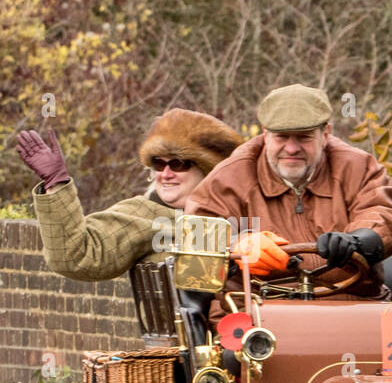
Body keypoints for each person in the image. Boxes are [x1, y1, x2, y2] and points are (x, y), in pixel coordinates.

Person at [185, 84, 392, 300]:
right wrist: (236, 244)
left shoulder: (357, 167)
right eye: (281, 137)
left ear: (325, 134)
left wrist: (358, 240)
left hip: (351, 303)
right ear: (265, 134)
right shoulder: (229, 177)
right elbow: (195, 244)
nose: (291, 149)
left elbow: (383, 212)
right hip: (258, 310)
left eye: (304, 137)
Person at [17, 110, 242, 281]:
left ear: (209, 171)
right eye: (158, 163)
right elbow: (74, 256)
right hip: (182, 341)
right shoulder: (142, 215)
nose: (165, 174)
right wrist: (56, 182)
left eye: (178, 164)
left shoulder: (242, 214)